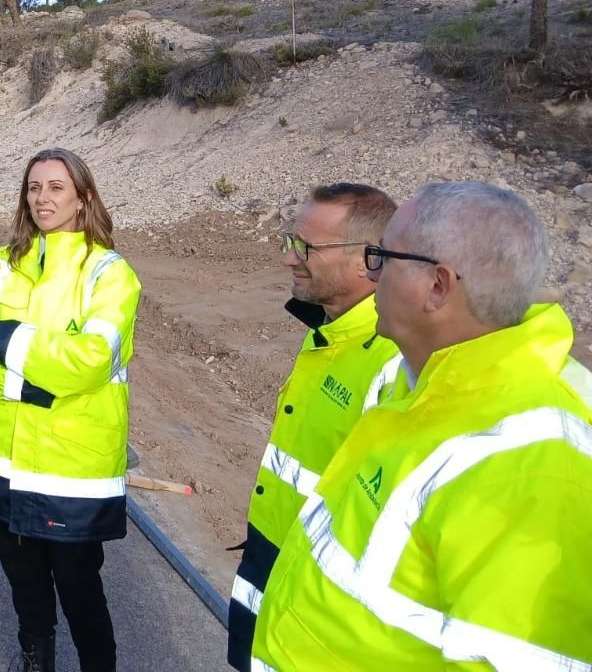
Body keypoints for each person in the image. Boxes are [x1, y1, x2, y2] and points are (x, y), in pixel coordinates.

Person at [252, 182, 592, 670]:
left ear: (437, 286)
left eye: (382, 259)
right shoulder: (427, 385)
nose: (373, 276)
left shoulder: (530, 464)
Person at [0, 147, 140, 672]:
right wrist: (41, 383)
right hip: (7, 462)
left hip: (73, 470)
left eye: (57, 187)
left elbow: (89, 361)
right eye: (34, 187)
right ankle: (36, 660)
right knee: (25, 586)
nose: (43, 198)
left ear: (84, 198)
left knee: (81, 591)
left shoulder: (109, 274)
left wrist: (8, 341)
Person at [225, 183, 402, 670]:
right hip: (270, 558)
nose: (290, 258)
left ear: (370, 260)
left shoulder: (392, 364)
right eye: (291, 241)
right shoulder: (329, 330)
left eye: (307, 247)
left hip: (314, 594)